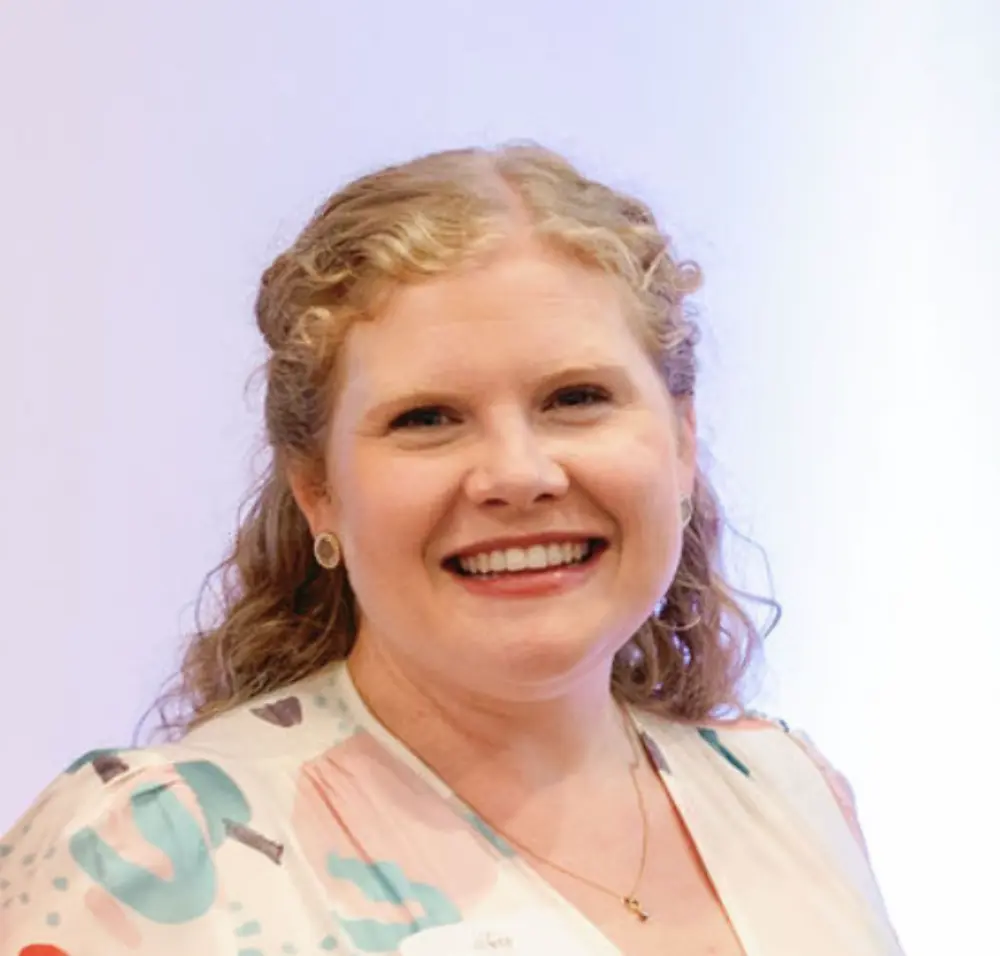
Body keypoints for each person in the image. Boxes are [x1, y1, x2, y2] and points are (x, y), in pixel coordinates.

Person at [0, 144, 903, 955]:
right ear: (317, 488)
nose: (517, 474)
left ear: (681, 441)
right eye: (426, 418)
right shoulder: (153, 856)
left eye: (577, 397)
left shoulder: (791, 794)